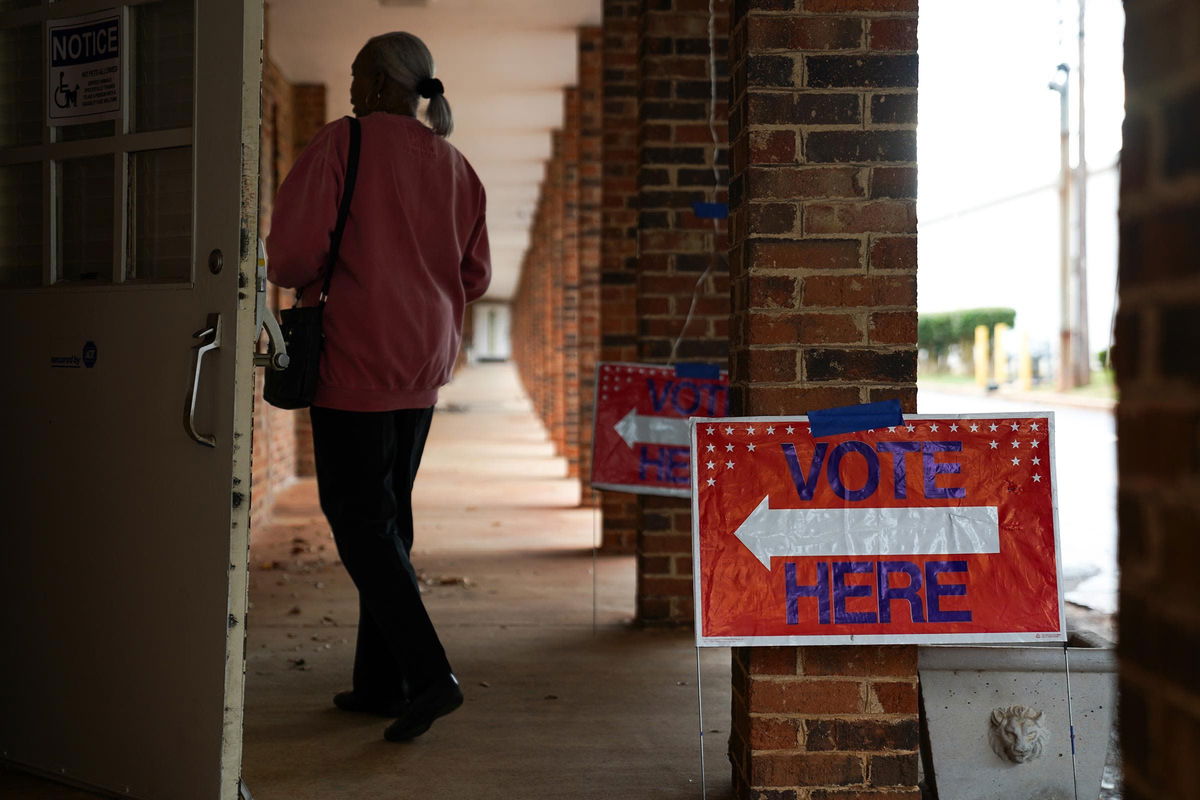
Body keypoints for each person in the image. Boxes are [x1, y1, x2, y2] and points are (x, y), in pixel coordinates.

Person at [266, 31, 490, 742]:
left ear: (391, 83)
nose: (354, 87)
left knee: (360, 521)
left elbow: (294, 253)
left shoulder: (345, 143)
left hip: (357, 356)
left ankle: (430, 675)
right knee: (389, 515)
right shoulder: (457, 167)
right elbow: (476, 275)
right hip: (423, 361)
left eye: (362, 75)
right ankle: (380, 681)